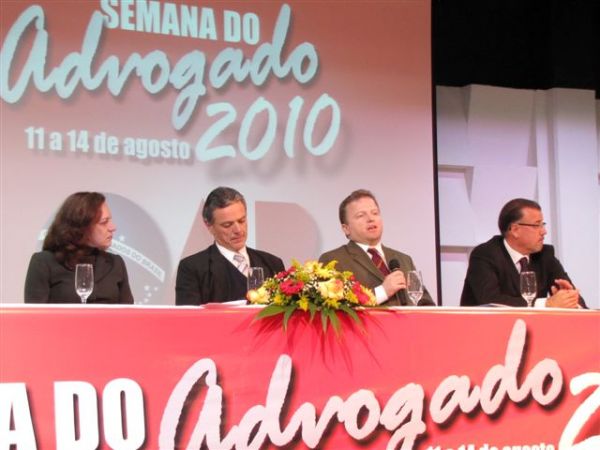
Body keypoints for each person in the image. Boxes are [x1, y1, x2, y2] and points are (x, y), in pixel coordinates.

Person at [460, 198, 586, 308]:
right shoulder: (485, 255)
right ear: (515, 230)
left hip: (532, 327)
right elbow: (490, 301)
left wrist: (569, 298)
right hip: (485, 326)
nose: (544, 231)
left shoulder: (545, 255)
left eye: (543, 224)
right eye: (536, 225)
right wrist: (546, 304)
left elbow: (580, 303)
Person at [319, 189, 435, 306]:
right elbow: (335, 307)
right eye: (361, 215)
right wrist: (382, 292)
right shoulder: (334, 260)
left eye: (375, 213)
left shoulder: (404, 260)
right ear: (346, 228)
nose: (371, 219)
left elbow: (426, 305)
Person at [176, 187, 285, 305]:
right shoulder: (193, 269)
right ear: (208, 225)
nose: (238, 230)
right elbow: (188, 315)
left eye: (242, 221)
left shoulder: (272, 264)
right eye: (227, 225)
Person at [24, 192, 134, 303]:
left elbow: (129, 312)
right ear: (81, 226)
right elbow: (35, 313)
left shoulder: (115, 263)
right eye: (104, 222)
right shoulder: (44, 263)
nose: (113, 227)